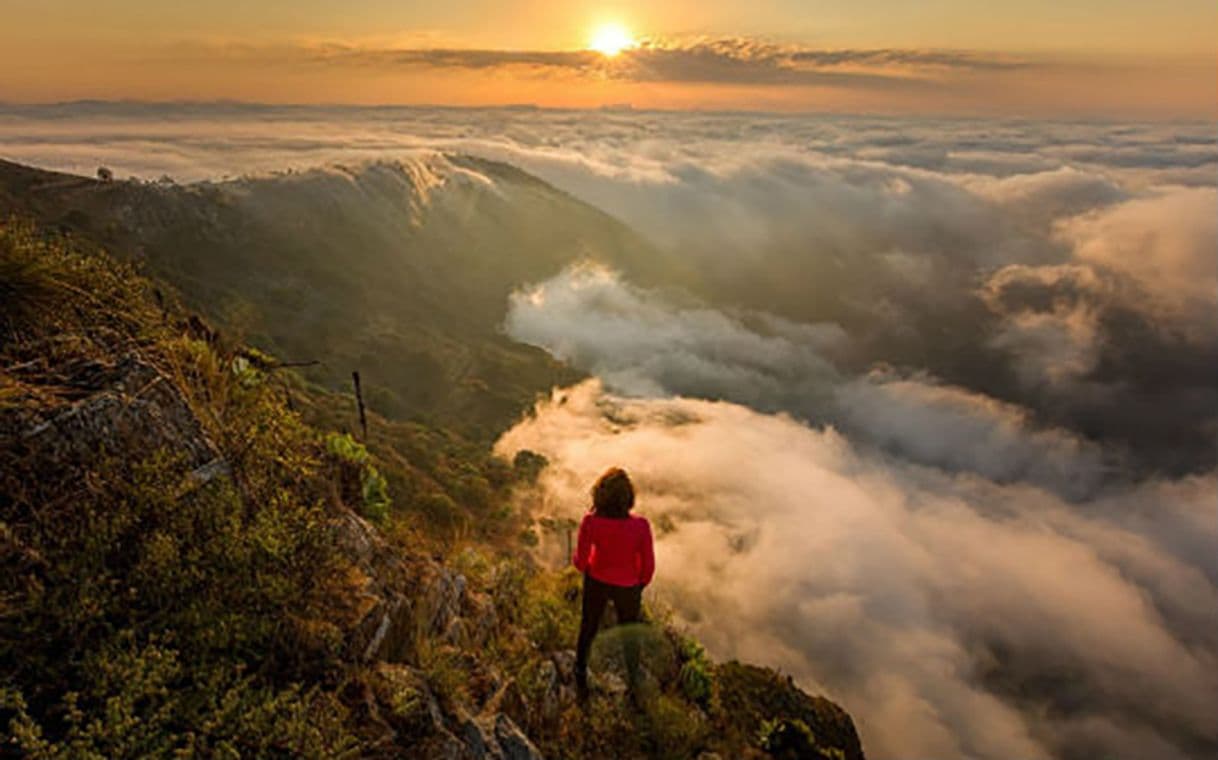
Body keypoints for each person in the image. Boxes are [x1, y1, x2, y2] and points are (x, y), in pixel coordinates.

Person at [571, 467, 655, 703]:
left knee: (588, 626)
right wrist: (639, 584)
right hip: (629, 586)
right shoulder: (641, 526)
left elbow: (580, 560)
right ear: (628, 497)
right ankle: (633, 684)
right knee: (630, 634)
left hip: (596, 580)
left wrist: (586, 566)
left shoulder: (591, 522)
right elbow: (648, 566)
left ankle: (579, 672)